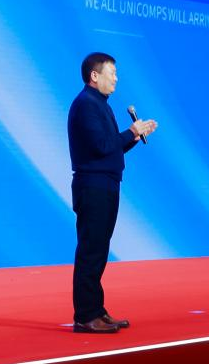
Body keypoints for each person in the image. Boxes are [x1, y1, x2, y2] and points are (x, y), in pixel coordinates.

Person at [67, 52, 158, 333]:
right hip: (92, 186)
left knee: (99, 250)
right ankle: (85, 315)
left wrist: (133, 136)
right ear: (94, 75)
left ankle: (96, 310)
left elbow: (110, 147)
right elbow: (100, 145)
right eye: (112, 73)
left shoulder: (100, 105)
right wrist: (129, 132)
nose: (116, 79)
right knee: (91, 251)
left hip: (106, 185)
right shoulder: (86, 104)